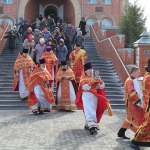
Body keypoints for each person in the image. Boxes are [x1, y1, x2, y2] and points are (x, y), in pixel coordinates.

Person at [75, 62, 113, 135]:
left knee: (93, 110)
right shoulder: (83, 79)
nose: (91, 70)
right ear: (85, 71)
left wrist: (100, 80)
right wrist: (91, 82)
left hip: (94, 96)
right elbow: (85, 87)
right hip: (86, 95)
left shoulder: (95, 77)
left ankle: (88, 124)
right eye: (89, 69)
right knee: (89, 110)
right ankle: (92, 127)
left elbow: (101, 87)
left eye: (91, 68)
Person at [117, 66, 145, 139]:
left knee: (130, 118)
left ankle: (121, 133)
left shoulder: (133, 80)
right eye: (138, 72)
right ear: (134, 72)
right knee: (136, 117)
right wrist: (138, 100)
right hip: (131, 103)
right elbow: (130, 92)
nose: (139, 73)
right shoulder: (129, 81)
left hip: (133, 102)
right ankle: (138, 135)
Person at [130, 60, 150, 150]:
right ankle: (135, 141)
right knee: (147, 123)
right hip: (148, 104)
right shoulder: (148, 77)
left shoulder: (147, 74)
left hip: (147, 102)